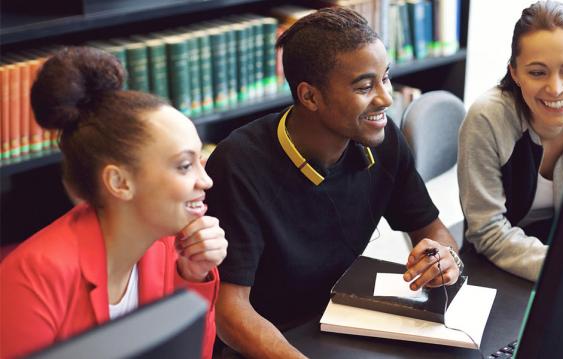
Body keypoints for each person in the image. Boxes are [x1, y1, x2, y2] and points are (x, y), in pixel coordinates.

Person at [205, 7, 462, 358]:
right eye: (364, 86)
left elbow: (433, 232)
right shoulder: (238, 164)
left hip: (342, 323)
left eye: (385, 78)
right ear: (310, 96)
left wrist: (444, 259)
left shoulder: (382, 140)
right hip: (266, 343)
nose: (386, 98)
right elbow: (230, 314)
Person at [0, 47, 228, 358]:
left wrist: (193, 276)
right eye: (185, 166)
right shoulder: (31, 280)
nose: (206, 181)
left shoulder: (169, 249)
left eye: (199, 161)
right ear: (119, 183)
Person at [458, 1, 563, 282]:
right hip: (497, 265)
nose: (556, 88)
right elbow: (487, 231)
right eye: (537, 72)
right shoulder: (487, 119)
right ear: (514, 72)